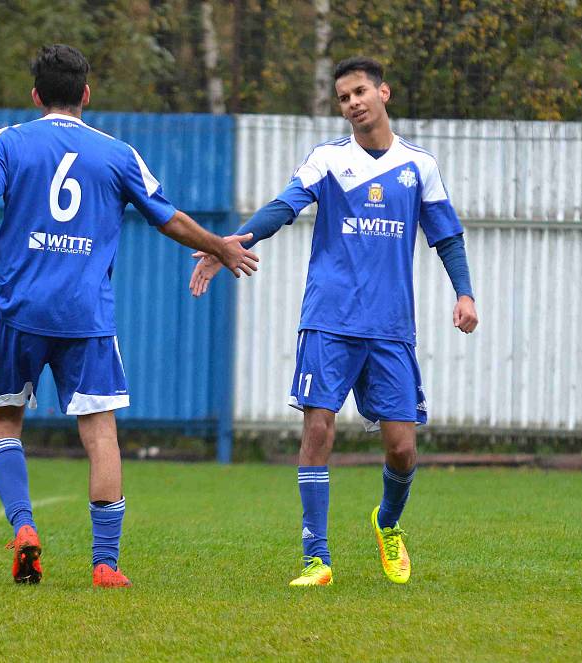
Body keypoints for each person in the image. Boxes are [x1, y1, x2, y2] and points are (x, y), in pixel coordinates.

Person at [0, 44, 258, 588]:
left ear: (35, 95)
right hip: (85, 316)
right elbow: (166, 217)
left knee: (5, 421)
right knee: (100, 435)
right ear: (87, 94)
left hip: (18, 308)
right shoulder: (119, 153)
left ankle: (24, 527)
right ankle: (105, 564)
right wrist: (219, 245)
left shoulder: (7, 141)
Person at [189, 56, 478, 586]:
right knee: (318, 428)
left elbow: (447, 236)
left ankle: (388, 523)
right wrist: (230, 243)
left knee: (402, 448)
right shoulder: (327, 160)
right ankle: (316, 558)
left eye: (360, 91)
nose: (353, 103)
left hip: (390, 327)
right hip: (329, 318)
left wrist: (465, 294)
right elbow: (283, 207)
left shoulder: (420, 166)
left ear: (383, 93)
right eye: (344, 97)